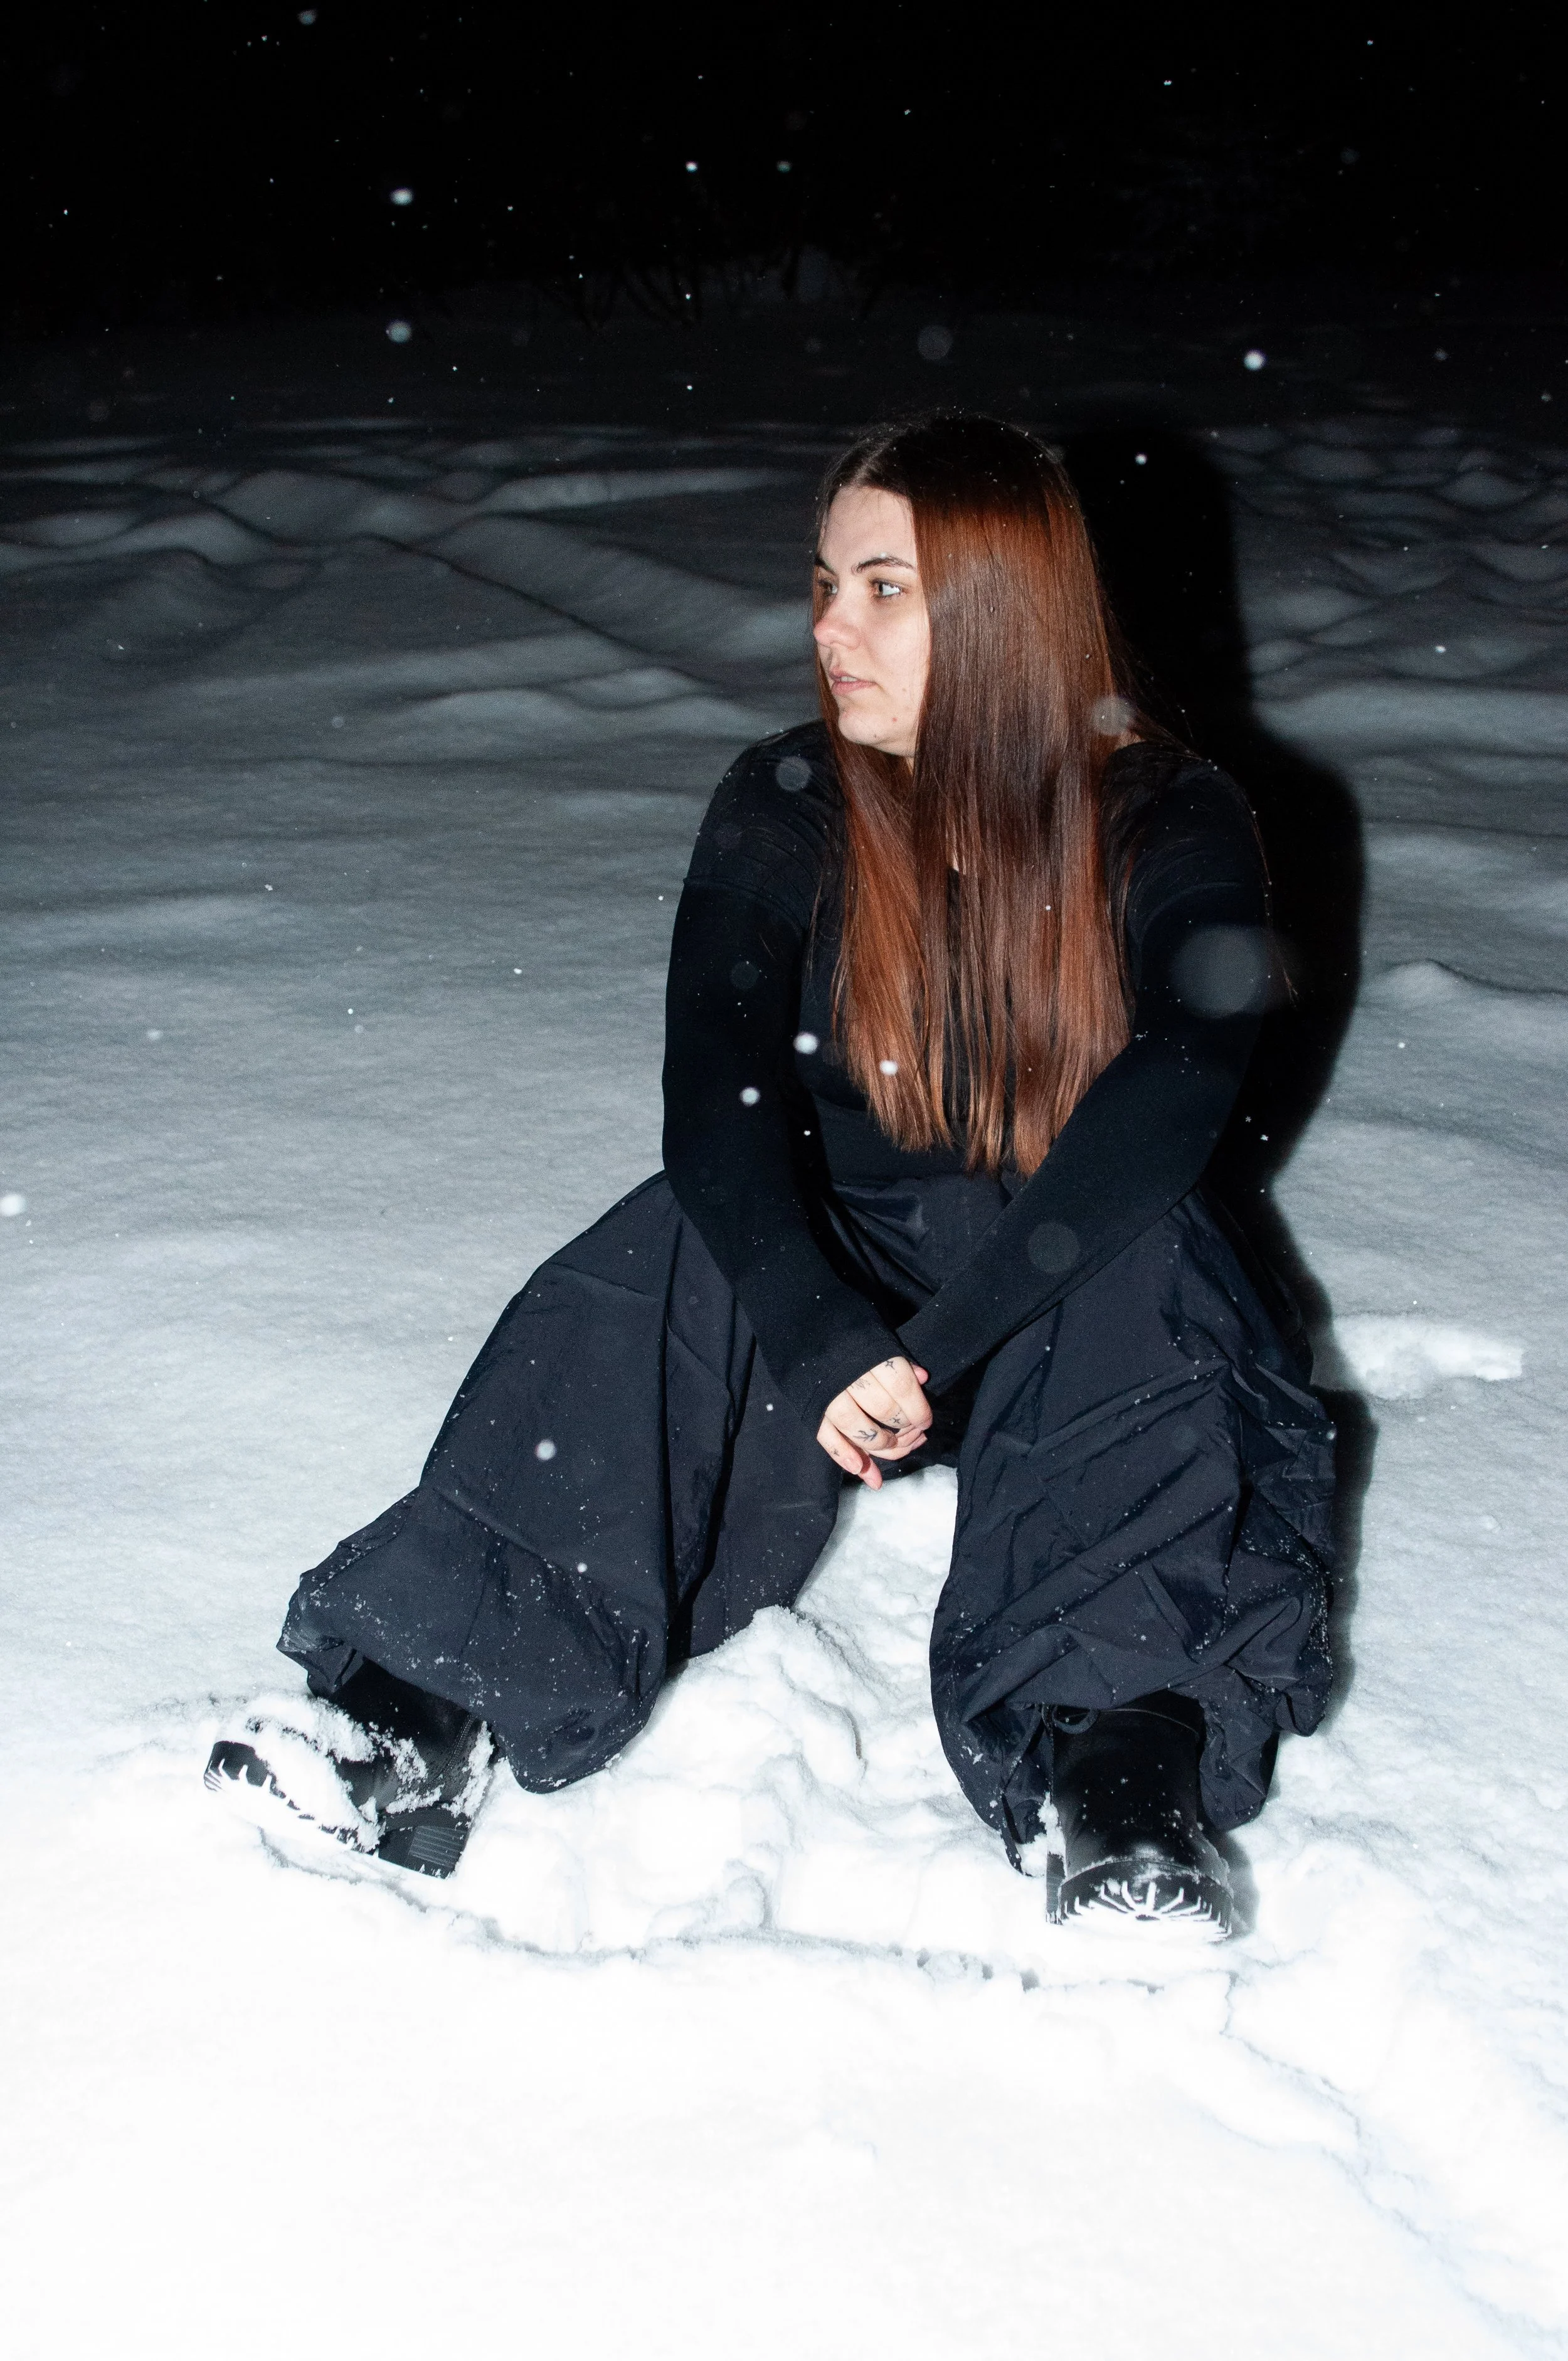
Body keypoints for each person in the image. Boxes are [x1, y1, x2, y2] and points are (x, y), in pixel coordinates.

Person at [208, 415, 1334, 1928]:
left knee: (1153, 1273)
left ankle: (1113, 1771)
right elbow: (716, 1090)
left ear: (1004, 610)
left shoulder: (1163, 814)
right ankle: (418, 1708)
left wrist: (939, 1347)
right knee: (660, 1257)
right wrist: (814, 1324)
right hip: (851, 1257)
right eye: (821, 582)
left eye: (883, 587)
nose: (827, 628)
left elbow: (1177, 1086)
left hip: (1073, 1279)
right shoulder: (790, 799)